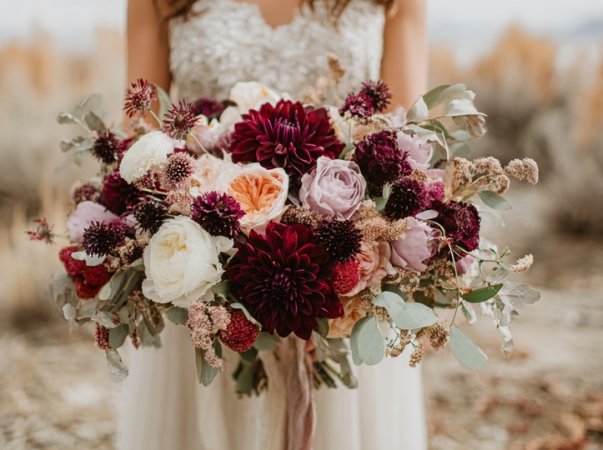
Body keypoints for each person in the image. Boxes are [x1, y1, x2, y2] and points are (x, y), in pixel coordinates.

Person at [118, 0, 429, 448]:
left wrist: (333, 283)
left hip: (341, 293)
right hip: (202, 282)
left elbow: (405, 146)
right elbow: (141, 139)